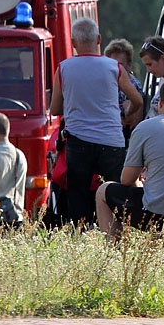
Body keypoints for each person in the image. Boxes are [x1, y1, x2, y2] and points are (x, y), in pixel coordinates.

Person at [49, 17, 143, 225]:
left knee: (78, 195)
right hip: (111, 141)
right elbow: (136, 99)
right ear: (99, 39)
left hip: (78, 142)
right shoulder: (114, 67)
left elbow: (55, 108)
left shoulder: (64, 68)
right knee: (117, 194)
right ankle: (119, 235)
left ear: (73, 43)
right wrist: (126, 114)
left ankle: (81, 235)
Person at [95, 78, 164, 240]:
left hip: (156, 214)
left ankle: (113, 251)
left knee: (103, 191)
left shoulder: (145, 127)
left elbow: (127, 179)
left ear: (161, 103)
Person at [104, 38, 145, 145]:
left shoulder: (134, 86)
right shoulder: (105, 84)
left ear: (129, 64)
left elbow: (135, 119)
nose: (117, 68)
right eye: (113, 64)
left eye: (120, 64)